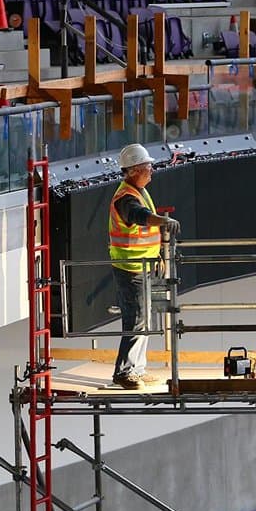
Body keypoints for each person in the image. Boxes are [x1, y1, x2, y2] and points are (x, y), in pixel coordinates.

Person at [108, 143, 180, 390]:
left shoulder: (136, 191)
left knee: (144, 319)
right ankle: (125, 372)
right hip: (131, 267)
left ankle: (136, 369)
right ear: (133, 170)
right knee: (136, 319)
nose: (152, 171)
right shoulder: (126, 197)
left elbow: (142, 228)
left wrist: (157, 252)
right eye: (148, 167)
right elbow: (138, 216)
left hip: (142, 265)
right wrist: (163, 220)